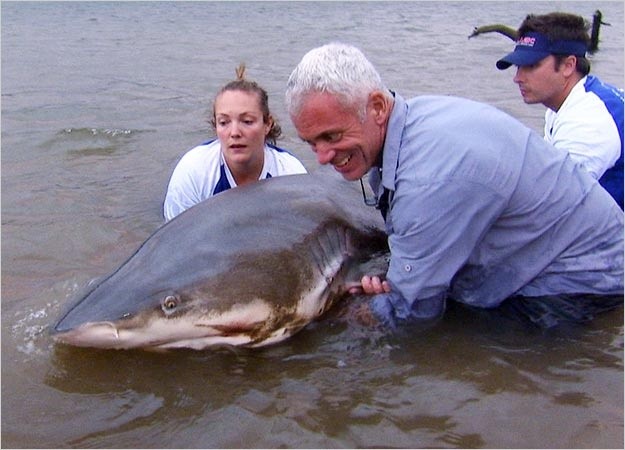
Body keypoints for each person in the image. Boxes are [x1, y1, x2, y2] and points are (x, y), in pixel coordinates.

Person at [285, 42, 623, 329]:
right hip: (557, 249)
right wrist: (404, 274)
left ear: (376, 107)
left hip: (582, 283)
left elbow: (413, 312)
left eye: (332, 136)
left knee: (461, 344)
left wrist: (340, 316)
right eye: (311, 142)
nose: (323, 156)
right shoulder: (413, 122)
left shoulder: (429, 177)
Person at [496, 12, 624, 209]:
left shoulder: (587, 121)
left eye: (531, 66)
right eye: (518, 66)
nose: (518, 77)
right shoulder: (570, 103)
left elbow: (551, 206)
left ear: (568, 65)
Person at [163, 65, 307, 221]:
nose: (235, 132)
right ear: (215, 125)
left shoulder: (291, 174)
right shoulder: (193, 171)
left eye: (247, 121)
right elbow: (175, 240)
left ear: (267, 124)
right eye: (224, 122)